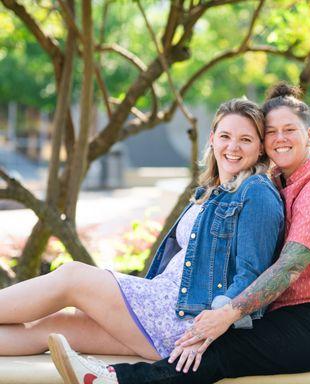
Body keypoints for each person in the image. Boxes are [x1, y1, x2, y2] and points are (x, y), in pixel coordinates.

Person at [49, 83, 310, 384]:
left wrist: (227, 313)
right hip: (283, 316)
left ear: (308, 135)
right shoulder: (276, 183)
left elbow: (289, 266)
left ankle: (114, 380)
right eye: (271, 132)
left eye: (290, 130)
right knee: (213, 342)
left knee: (221, 352)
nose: (280, 138)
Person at [0, 98, 284, 363]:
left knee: (73, 277)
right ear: (212, 138)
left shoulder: (256, 192)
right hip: (164, 313)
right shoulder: (212, 192)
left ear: (260, 147)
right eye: (225, 136)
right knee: (54, 327)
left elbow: (252, 275)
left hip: (183, 318)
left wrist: (214, 325)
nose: (232, 147)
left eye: (245, 139)